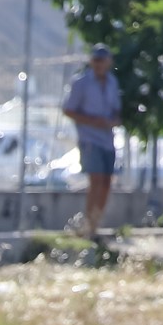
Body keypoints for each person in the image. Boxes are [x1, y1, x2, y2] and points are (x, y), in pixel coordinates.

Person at [61, 43, 122, 238]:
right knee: (95, 179)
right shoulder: (81, 83)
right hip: (89, 138)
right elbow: (69, 109)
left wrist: (113, 121)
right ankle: (87, 225)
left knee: (106, 182)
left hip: (107, 139)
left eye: (102, 61)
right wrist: (92, 121)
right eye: (95, 60)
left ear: (108, 62)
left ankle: (96, 223)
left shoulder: (112, 82)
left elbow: (116, 110)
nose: (99, 64)